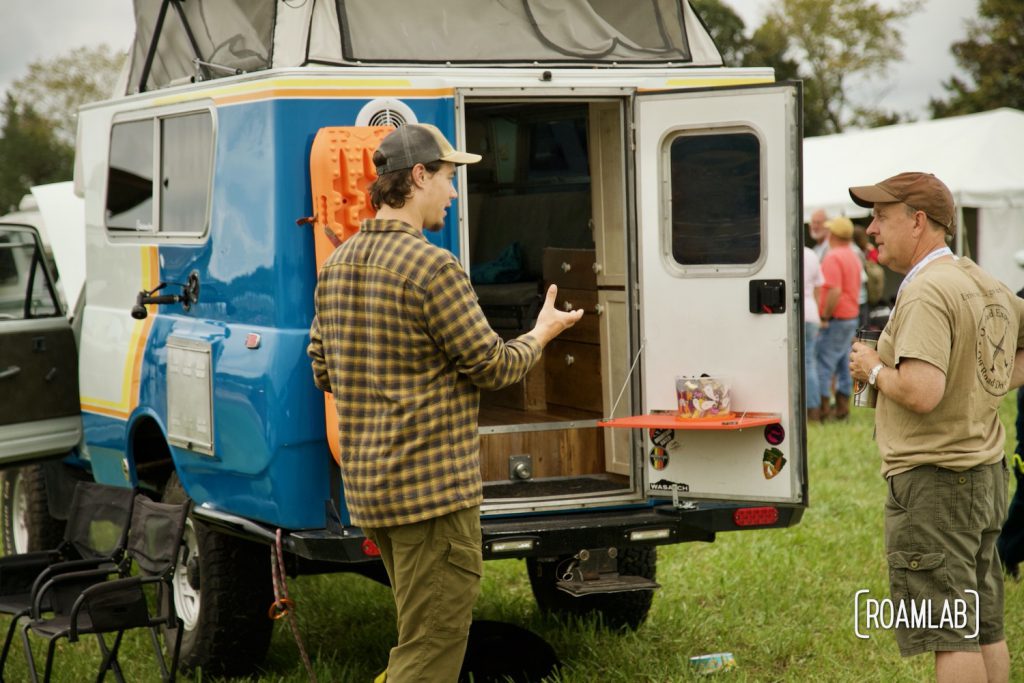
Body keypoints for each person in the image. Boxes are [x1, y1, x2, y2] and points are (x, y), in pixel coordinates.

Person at [307, 123, 583, 682]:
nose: (454, 193)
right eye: (448, 179)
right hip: (430, 497)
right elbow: (494, 366)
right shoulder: (434, 267)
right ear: (418, 176)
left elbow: (322, 368)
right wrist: (543, 332)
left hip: (373, 493)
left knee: (418, 637)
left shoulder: (337, 265)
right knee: (432, 651)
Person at [849, 171, 1024, 683]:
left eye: (881, 216)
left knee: (948, 630)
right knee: (983, 625)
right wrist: (983, 380)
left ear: (918, 220)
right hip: (984, 474)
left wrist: (872, 371)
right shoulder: (980, 279)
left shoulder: (926, 291)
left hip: (935, 481)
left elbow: (922, 393)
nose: (871, 229)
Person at [816, 215, 861, 420]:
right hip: (851, 315)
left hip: (836, 317)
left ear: (833, 235)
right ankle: (843, 409)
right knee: (844, 363)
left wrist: (824, 315)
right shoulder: (853, 255)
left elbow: (833, 290)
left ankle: (823, 409)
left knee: (824, 363)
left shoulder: (833, 257)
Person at [803, 245, 825, 421]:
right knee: (810, 363)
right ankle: (814, 411)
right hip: (811, 313)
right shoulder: (811, 254)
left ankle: (806, 409)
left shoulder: (783, 251)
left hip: (794, 315)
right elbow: (818, 288)